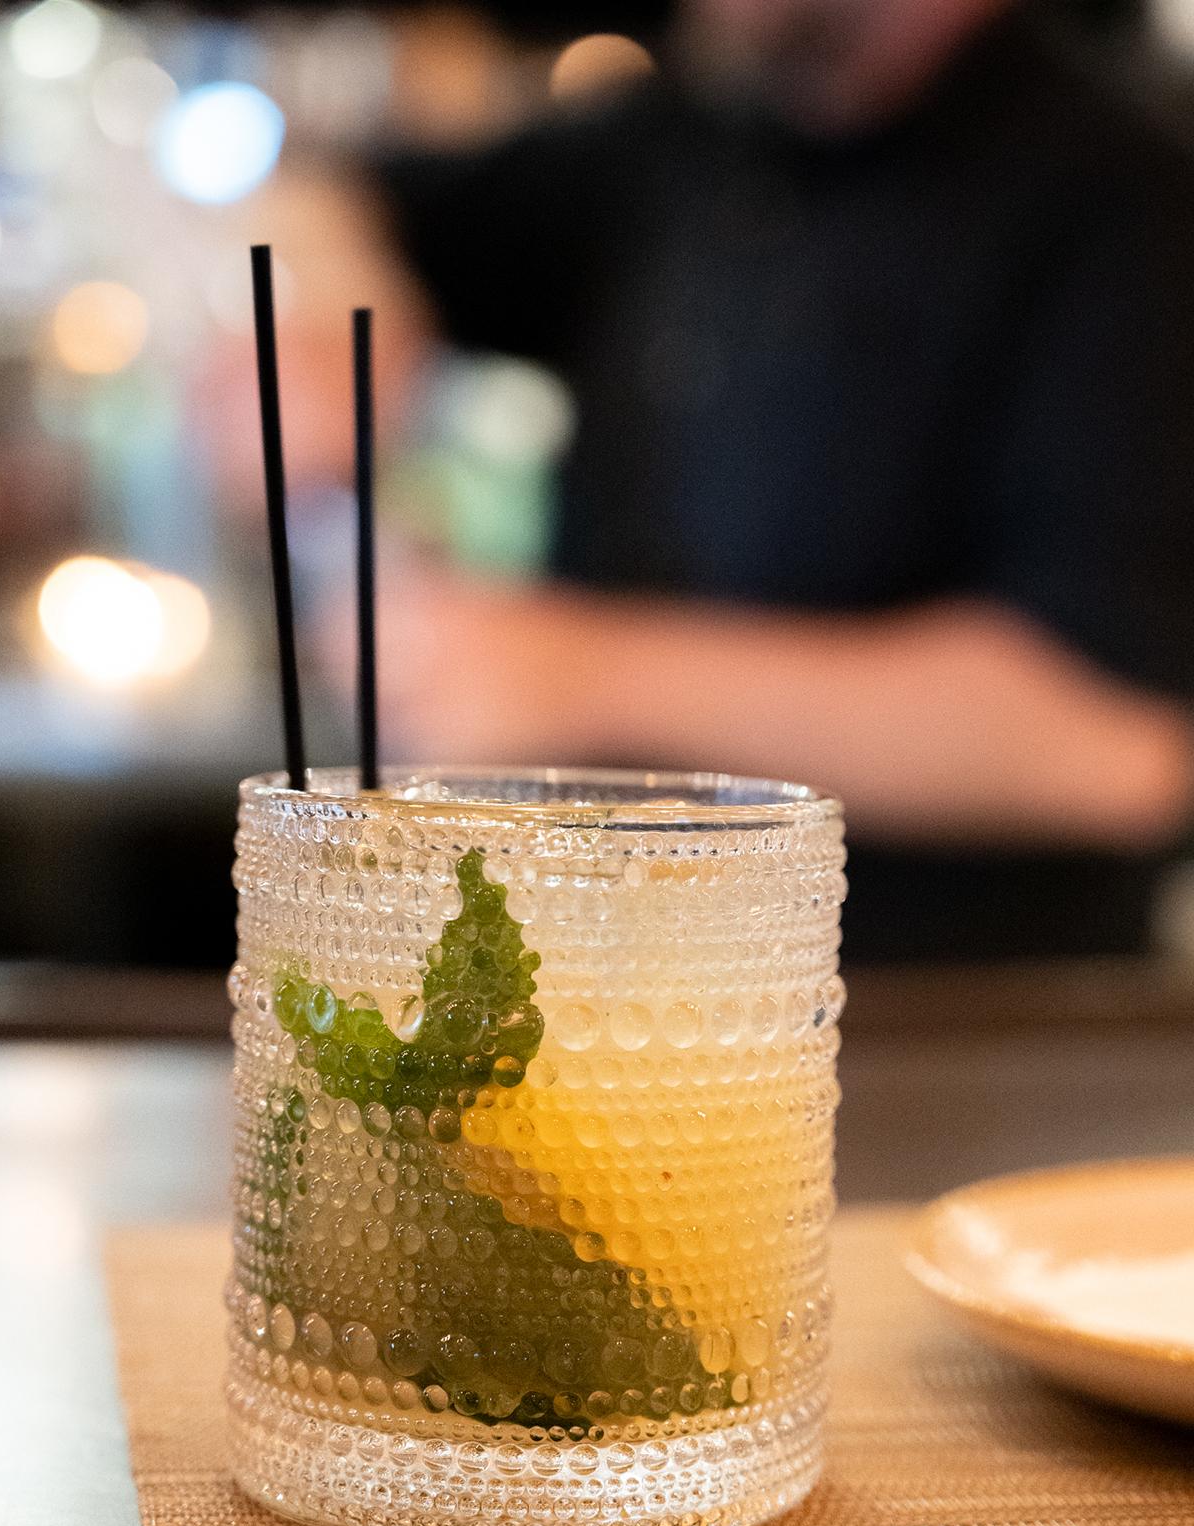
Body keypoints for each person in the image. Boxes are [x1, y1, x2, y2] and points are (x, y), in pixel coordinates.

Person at [363, 0, 1194, 961]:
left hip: (946, 1013)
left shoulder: (1126, 197)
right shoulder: (683, 133)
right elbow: (342, 199)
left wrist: (583, 676)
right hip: (621, 987)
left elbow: (1118, 741)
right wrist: (330, 293)